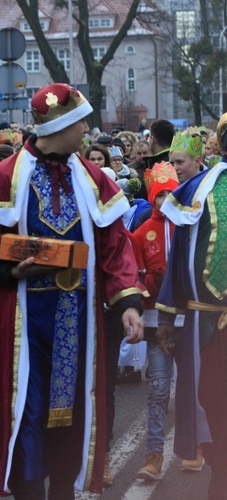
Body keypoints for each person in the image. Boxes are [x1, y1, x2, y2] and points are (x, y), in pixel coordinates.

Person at [0, 83, 144, 497]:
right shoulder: (4, 177)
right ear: (62, 125)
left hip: (79, 322)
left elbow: (116, 246)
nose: (86, 130)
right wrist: (9, 271)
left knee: (73, 413)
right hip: (23, 323)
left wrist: (129, 301)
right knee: (26, 410)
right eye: (80, 122)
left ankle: (64, 490)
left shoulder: (93, 179)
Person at [155, 113, 227, 499]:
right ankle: (220, 472)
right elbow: (178, 255)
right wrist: (167, 315)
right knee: (212, 401)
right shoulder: (199, 190)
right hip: (207, 321)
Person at [129, 161, 180, 481]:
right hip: (154, 319)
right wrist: (146, 283)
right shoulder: (140, 233)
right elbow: (134, 276)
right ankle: (153, 456)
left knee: (193, 388)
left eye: (170, 194)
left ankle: (197, 447)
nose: (164, 202)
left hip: (189, 321)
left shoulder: (189, 227)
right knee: (159, 389)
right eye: (159, 196)